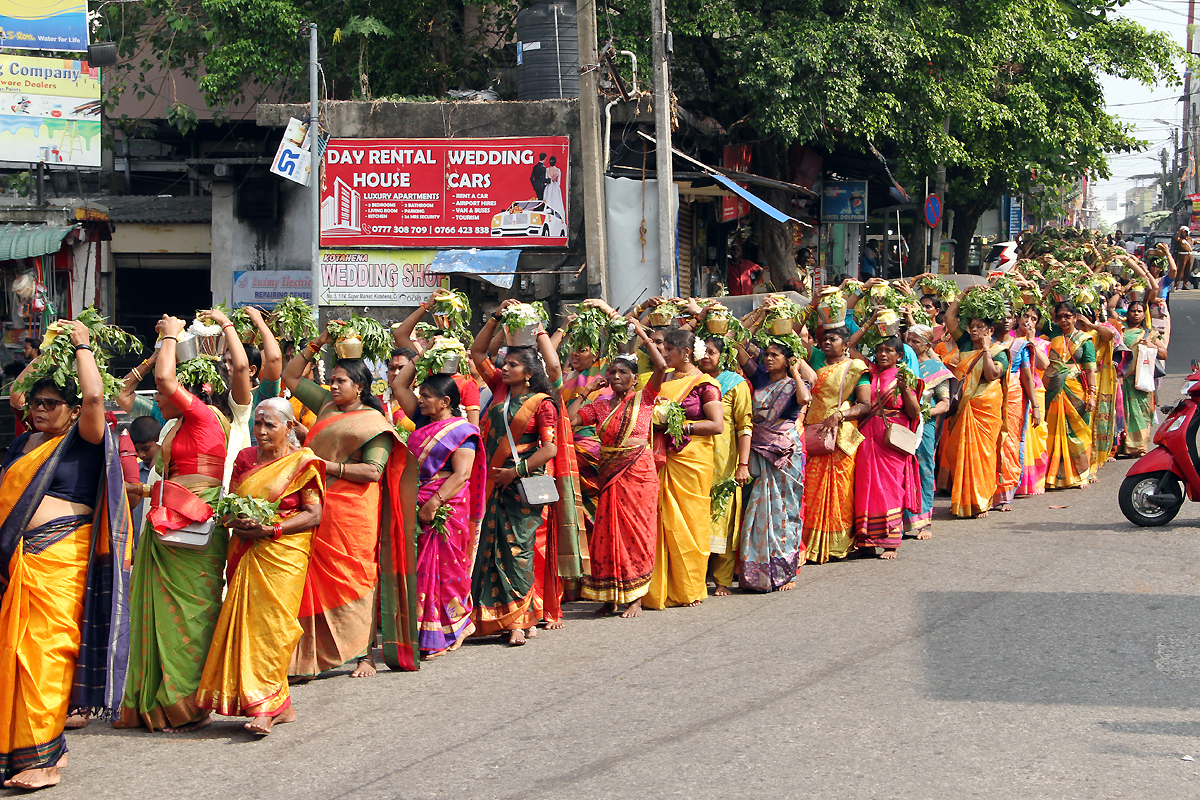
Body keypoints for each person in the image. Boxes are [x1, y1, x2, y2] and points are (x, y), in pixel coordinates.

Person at [0, 321, 132, 789]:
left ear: (73, 411)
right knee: (13, 657)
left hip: (59, 561)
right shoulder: (25, 442)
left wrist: (81, 346)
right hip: (19, 563)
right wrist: (47, 351)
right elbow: (16, 393)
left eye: (51, 403)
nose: (39, 408)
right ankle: (24, 752)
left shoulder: (84, 440)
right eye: (37, 403)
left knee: (45, 654)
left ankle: (44, 761)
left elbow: (95, 397)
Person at [282, 326, 416, 678]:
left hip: (353, 512)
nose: (334, 386)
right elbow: (290, 376)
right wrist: (319, 343)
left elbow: (373, 471)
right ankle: (310, 658)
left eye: (341, 381)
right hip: (317, 505)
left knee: (356, 580)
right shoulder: (326, 405)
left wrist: (326, 466)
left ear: (360, 387)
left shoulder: (373, 423)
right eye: (332, 380)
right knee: (312, 580)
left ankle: (364, 655)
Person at [119, 315, 229, 732]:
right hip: (168, 524)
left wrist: (170, 333)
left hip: (194, 524)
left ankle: (187, 702)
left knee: (192, 616)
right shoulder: (174, 426)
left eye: (168, 392)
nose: (160, 396)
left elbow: (166, 381)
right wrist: (154, 356)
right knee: (165, 615)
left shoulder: (203, 417)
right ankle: (161, 703)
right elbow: (125, 392)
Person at [195, 398, 325, 734]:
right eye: (258, 424)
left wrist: (272, 529)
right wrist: (238, 521)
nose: (262, 431)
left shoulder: (302, 462)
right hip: (246, 548)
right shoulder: (245, 458)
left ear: (289, 427)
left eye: (270, 425)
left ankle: (266, 707)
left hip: (285, 552)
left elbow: (313, 514)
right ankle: (279, 705)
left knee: (274, 628)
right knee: (250, 626)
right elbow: (230, 505)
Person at [566, 313, 666, 617]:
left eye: (623, 372)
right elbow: (569, 421)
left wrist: (642, 334)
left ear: (635, 378)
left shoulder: (645, 398)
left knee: (638, 532)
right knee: (608, 532)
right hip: (609, 472)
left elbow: (661, 366)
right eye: (612, 372)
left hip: (639, 473)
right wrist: (586, 391)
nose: (616, 376)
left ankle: (635, 597)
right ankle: (609, 596)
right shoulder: (599, 405)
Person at [466, 341, 560, 646]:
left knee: (518, 552)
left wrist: (514, 472)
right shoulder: (500, 392)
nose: (505, 368)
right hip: (493, 483)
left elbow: (549, 449)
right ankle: (493, 618)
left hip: (522, 486)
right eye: (505, 364)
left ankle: (519, 621)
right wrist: (495, 319)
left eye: (513, 365)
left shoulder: (542, 403)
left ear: (529, 372)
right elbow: (478, 352)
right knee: (490, 551)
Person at [390, 369, 486, 657]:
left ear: (445, 402)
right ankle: (427, 632)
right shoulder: (423, 422)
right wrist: (423, 353)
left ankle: (456, 625)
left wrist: (434, 503)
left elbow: (462, 474)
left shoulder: (462, 432)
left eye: (427, 396)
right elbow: (398, 384)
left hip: (447, 504)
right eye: (420, 395)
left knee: (446, 569)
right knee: (421, 569)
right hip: (418, 499)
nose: (420, 400)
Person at [645, 329, 724, 609]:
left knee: (690, 520)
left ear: (686, 352)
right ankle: (656, 589)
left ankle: (688, 587)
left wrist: (679, 426)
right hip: (660, 457)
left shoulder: (705, 384)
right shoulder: (662, 379)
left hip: (691, 460)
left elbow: (716, 425)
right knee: (658, 520)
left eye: (669, 349)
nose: (664, 353)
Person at [734, 339, 810, 584]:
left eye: (775, 355)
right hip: (759, 449)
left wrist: (796, 372)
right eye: (766, 354)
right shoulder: (760, 378)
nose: (768, 359)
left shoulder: (795, 383)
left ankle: (786, 571)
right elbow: (737, 348)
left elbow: (804, 398)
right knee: (756, 508)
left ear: (787, 360)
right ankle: (756, 572)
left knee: (786, 508)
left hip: (784, 451)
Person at [800, 326, 870, 563]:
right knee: (811, 488)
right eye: (825, 339)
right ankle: (810, 545)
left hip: (840, 437)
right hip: (814, 434)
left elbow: (865, 404)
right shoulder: (816, 361)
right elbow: (793, 335)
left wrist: (841, 415)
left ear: (846, 344)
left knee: (840, 490)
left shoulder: (856, 368)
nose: (827, 342)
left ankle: (838, 545)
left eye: (833, 339)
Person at [852, 336, 921, 558]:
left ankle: (891, 542)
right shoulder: (869, 373)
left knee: (890, 488)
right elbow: (849, 346)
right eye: (880, 350)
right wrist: (871, 323)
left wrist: (905, 389)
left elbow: (915, 412)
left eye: (889, 351)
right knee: (866, 487)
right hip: (866, 438)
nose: (883, 354)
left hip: (890, 441)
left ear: (899, 356)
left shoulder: (904, 377)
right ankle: (866, 542)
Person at [698, 336, 752, 596]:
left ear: (723, 356)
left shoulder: (735, 383)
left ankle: (722, 580)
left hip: (724, 462)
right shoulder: (692, 381)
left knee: (723, 516)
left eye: (712, 352)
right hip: (695, 459)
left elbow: (744, 425)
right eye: (703, 351)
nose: (706, 356)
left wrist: (743, 464)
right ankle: (696, 577)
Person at [940, 316, 1008, 518]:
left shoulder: (999, 352)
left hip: (985, 410)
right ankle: (962, 500)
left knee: (983, 455)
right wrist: (962, 299)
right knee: (957, 452)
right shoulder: (966, 344)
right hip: (962, 409)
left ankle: (981, 502)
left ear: (990, 331)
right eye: (972, 326)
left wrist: (986, 349)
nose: (974, 330)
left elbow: (992, 374)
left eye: (980, 327)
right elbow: (950, 317)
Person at [902, 324, 952, 538]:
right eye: (909, 340)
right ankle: (901, 522)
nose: (911, 345)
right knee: (902, 470)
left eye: (916, 342)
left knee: (923, 468)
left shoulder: (936, 369)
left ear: (927, 345)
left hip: (925, 425)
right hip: (903, 422)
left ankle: (924, 522)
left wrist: (923, 413)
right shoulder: (902, 364)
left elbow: (944, 404)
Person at [1044, 302, 1097, 489]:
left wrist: (1092, 395)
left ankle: (1081, 473)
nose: (1063, 320)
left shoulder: (1084, 340)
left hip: (1076, 391)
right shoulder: (1052, 335)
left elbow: (1090, 370)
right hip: (1053, 389)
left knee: (1079, 432)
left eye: (1067, 316)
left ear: (1075, 317)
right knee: (1054, 431)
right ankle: (1054, 474)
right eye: (1060, 316)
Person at [992, 311, 1035, 512]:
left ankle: (1006, 494)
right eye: (1001, 315)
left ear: (1015, 320)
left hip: (1013, 397)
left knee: (1009, 443)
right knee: (989, 444)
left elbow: (1027, 377)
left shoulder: (1019, 345)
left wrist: (1035, 406)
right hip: (989, 397)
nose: (1005, 319)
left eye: (1009, 316)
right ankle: (986, 492)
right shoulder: (985, 343)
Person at [1120, 300, 1167, 456]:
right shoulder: (1120, 331)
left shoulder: (1150, 333)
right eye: (1133, 311)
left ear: (1144, 314)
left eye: (1139, 311)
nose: (1136, 314)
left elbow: (1164, 354)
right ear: (1128, 313)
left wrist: (1150, 345)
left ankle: (1139, 446)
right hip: (1123, 379)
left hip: (1142, 380)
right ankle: (1121, 446)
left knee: (1141, 413)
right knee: (1122, 411)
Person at [1014, 306, 1051, 497]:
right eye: (1025, 316)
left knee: (1037, 435)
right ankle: (1015, 481)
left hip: (1035, 391)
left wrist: (1031, 341)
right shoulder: (1009, 339)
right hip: (1015, 391)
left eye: (1033, 318)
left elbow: (1044, 365)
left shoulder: (1040, 342)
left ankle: (1035, 481)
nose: (1028, 320)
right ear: (1017, 318)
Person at [126, 415, 162, 542]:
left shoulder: (165, 473)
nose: (141, 454)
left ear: (159, 442)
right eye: (137, 450)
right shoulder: (134, 472)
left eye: (146, 449)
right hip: (137, 540)